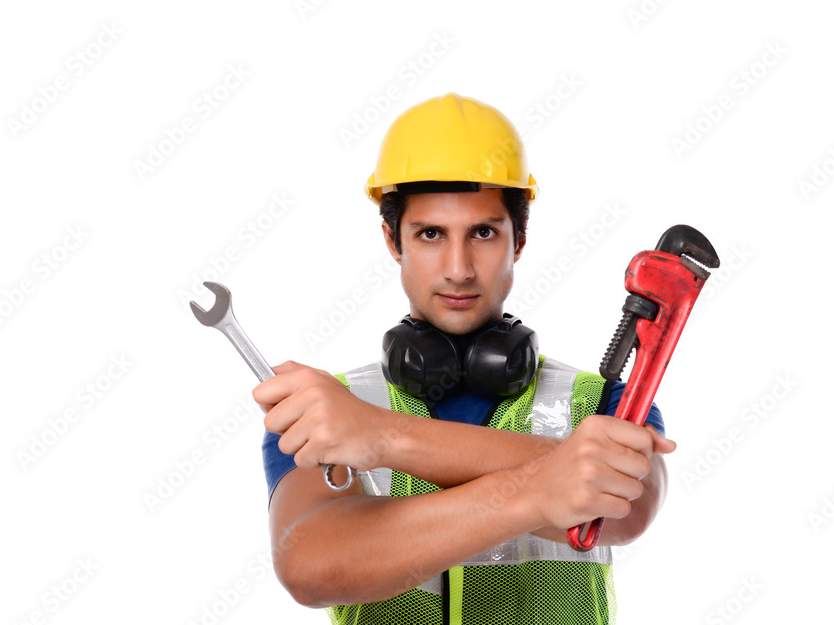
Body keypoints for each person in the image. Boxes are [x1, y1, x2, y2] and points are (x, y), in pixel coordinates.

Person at [254, 93, 677, 625]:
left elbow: (628, 511)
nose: (458, 268)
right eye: (430, 234)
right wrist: (546, 485)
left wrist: (386, 438)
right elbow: (314, 567)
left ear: (518, 239)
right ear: (392, 240)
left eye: (483, 233)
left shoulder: (601, 399)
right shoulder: (325, 411)